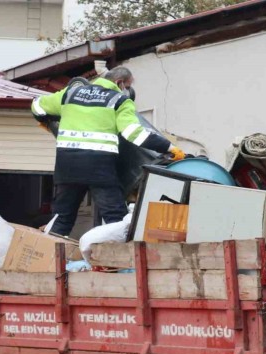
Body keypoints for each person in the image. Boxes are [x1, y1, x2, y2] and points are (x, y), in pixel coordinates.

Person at [31, 66, 186, 236]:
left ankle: (50, 258)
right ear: (119, 82)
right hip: (99, 167)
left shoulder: (70, 94)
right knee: (115, 218)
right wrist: (169, 148)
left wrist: (47, 121)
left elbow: (37, 106)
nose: (127, 91)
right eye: (127, 86)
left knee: (62, 218)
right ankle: (121, 261)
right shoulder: (119, 100)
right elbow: (133, 133)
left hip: (67, 166)